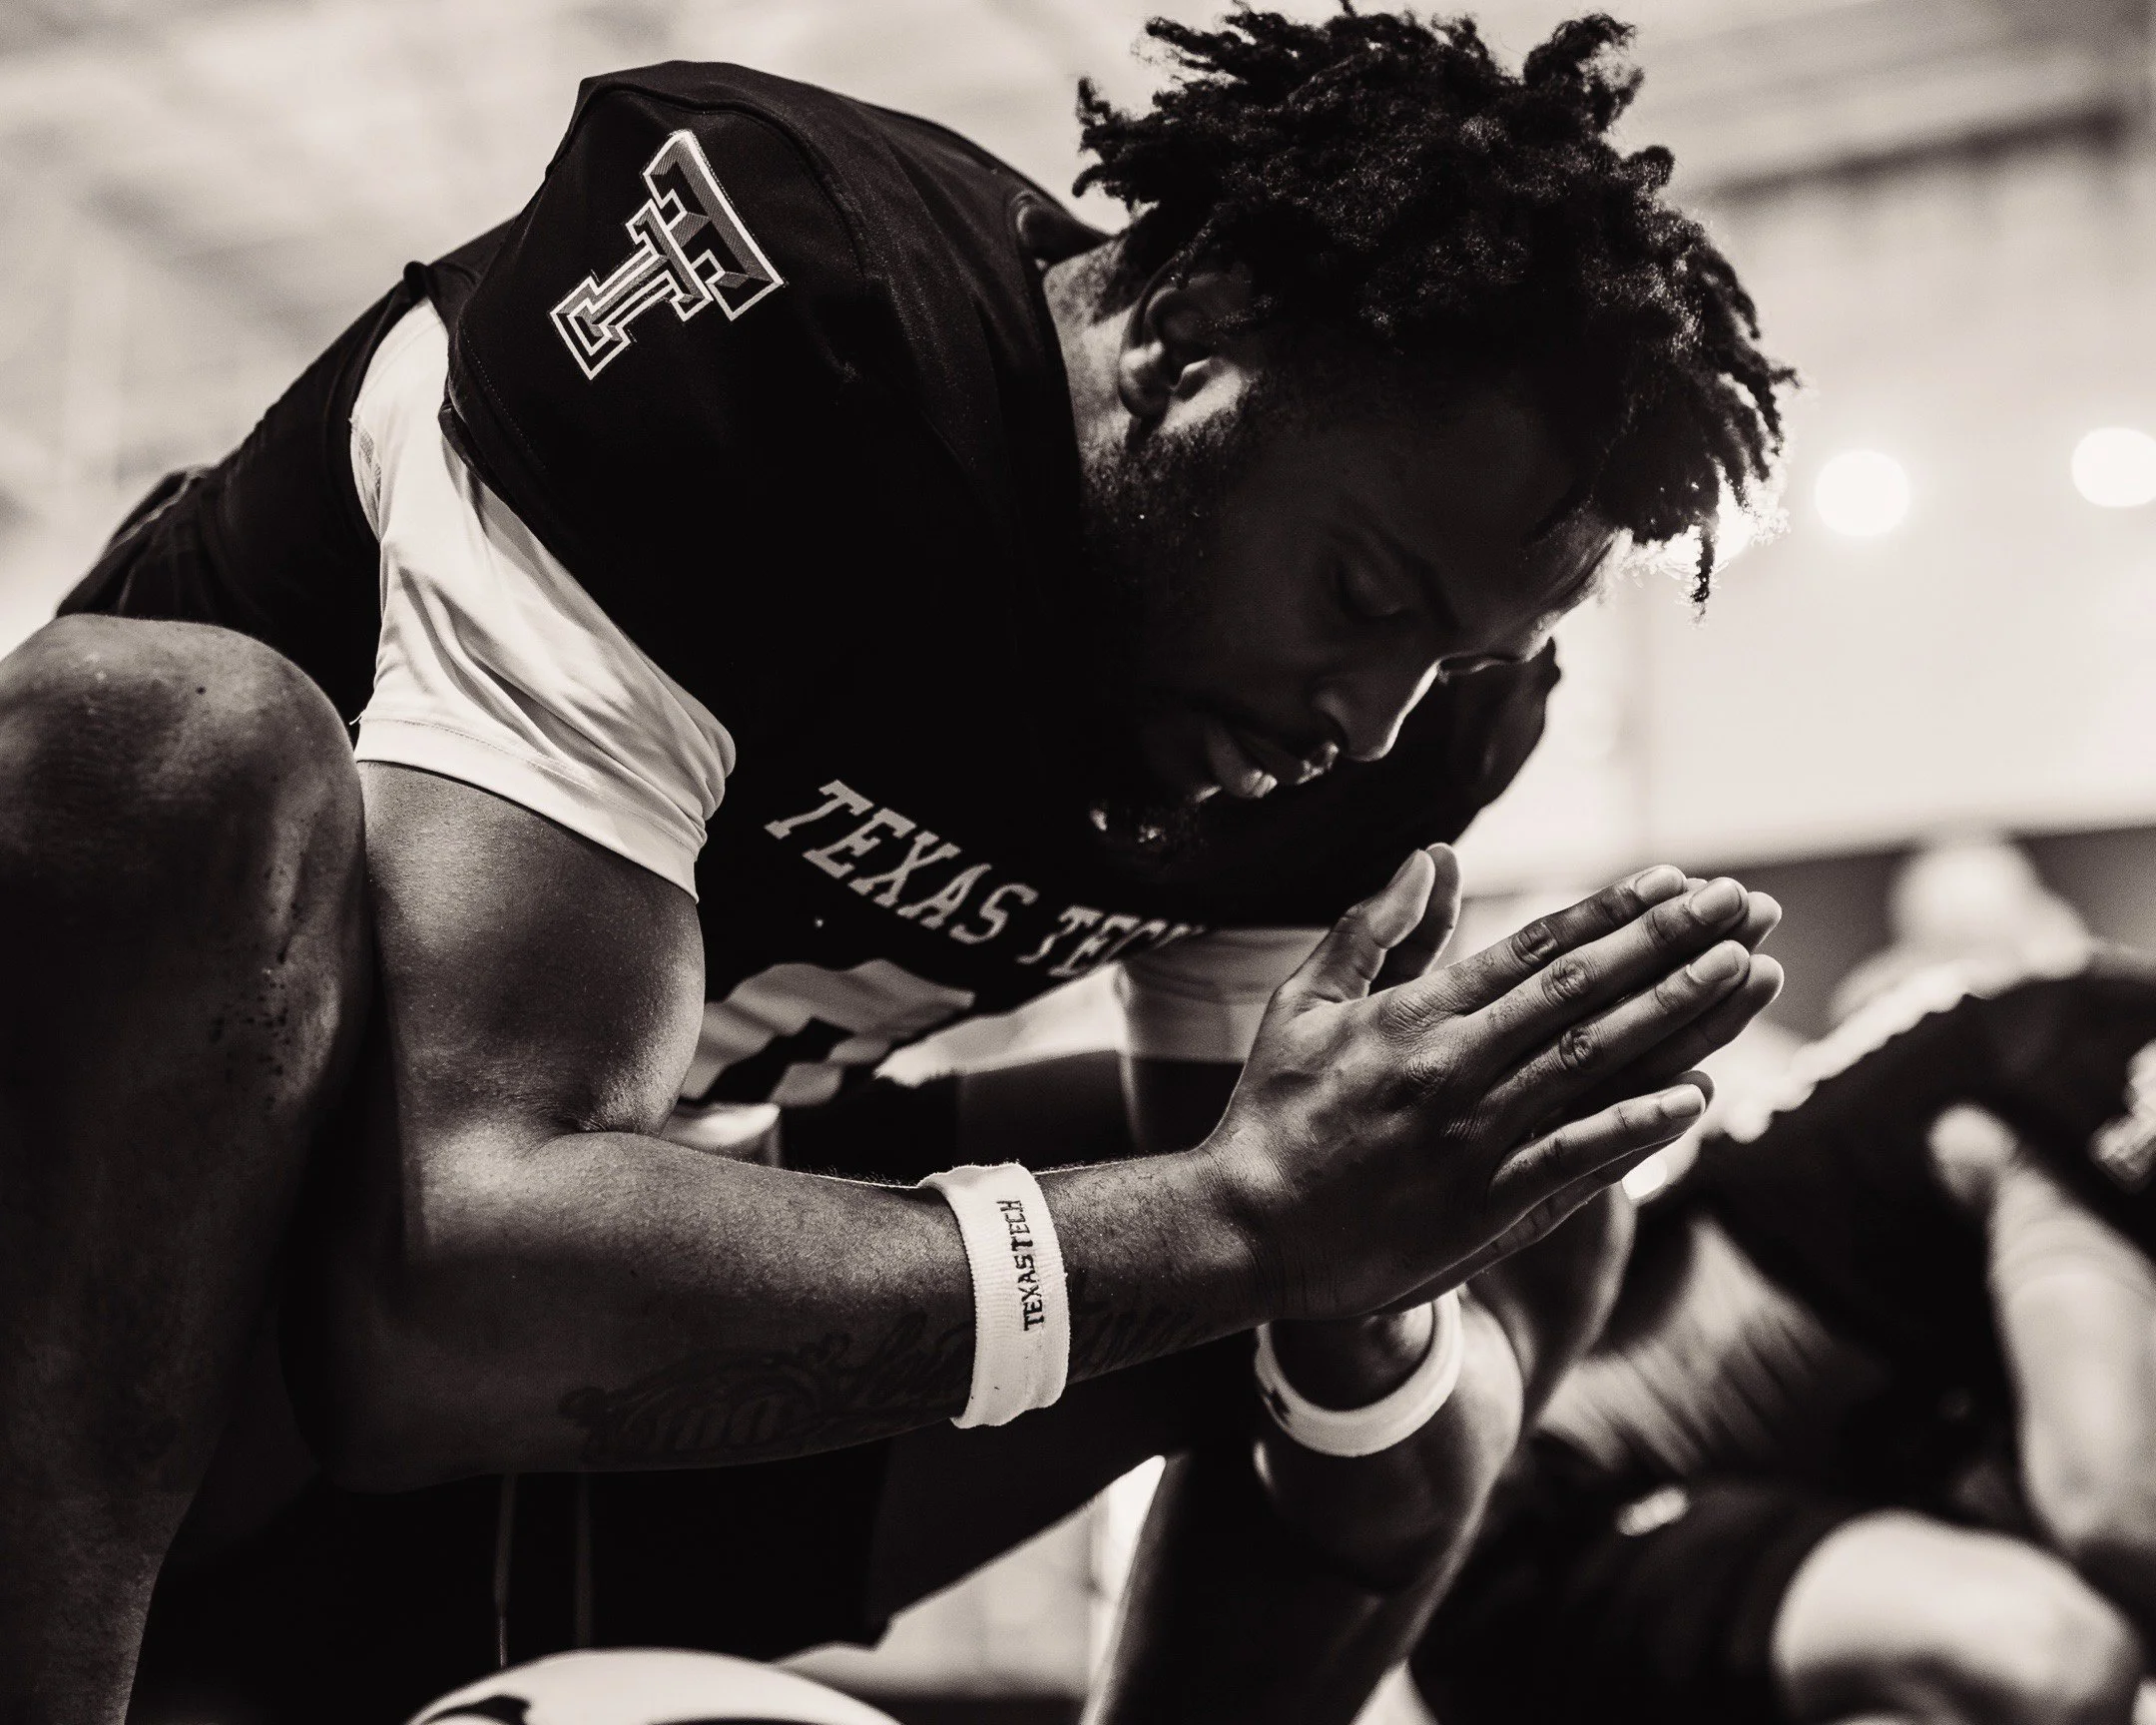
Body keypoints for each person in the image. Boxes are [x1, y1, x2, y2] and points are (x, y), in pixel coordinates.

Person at [0, 10, 1792, 1723]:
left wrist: (1353, 1286)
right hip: (120, 1359)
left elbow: (1373, 1477)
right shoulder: (785, 325)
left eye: (1459, 659)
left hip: (474, 1433)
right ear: (1192, 327)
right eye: (1364, 594)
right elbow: (439, 1297)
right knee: (167, 740)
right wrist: (1236, 1224)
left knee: (1517, 1188)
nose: (1373, 718)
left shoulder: (1373, 737)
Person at [1409, 943, 2156, 1725]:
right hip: (1543, 1544)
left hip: (1710, 1525)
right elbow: (2109, 1515)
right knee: (2049, 1653)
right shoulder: (2110, 1062)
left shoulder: (2070, 1022)